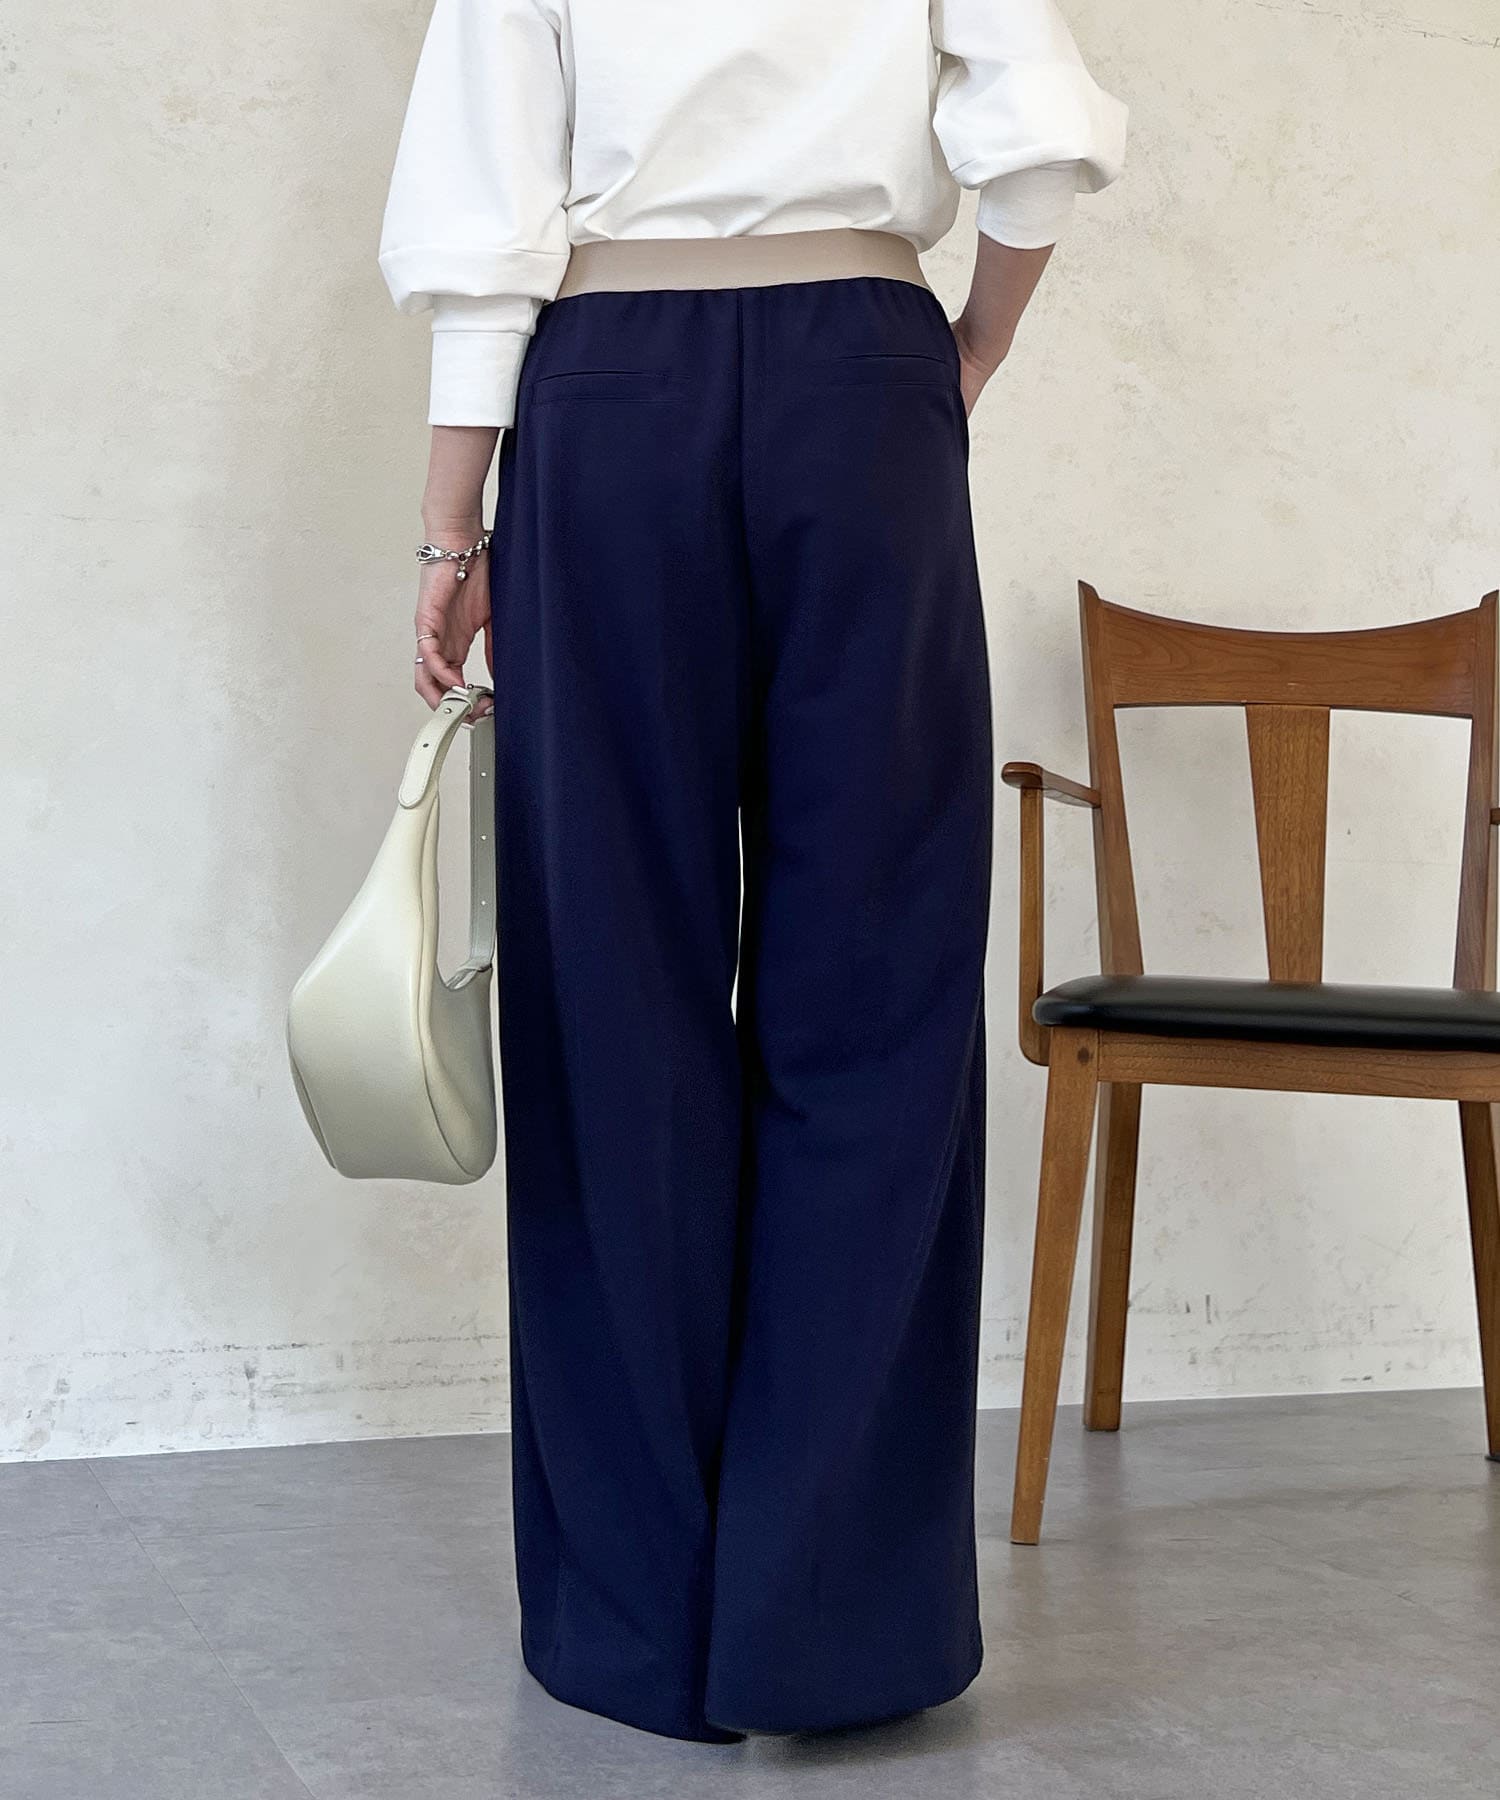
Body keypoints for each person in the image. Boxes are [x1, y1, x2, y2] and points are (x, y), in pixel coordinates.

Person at [379, 0, 1125, 1745]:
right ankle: (836, 1627)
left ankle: (637, 1629)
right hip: (862, 378)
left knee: (609, 992)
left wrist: (450, 524)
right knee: (879, 990)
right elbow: (1035, 133)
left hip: (605, 394)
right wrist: (964, 353)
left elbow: (488, 214)